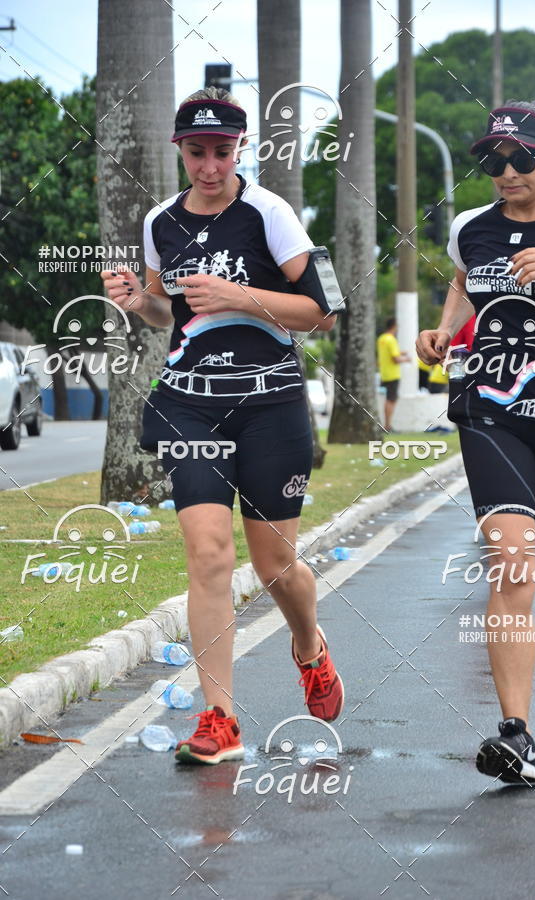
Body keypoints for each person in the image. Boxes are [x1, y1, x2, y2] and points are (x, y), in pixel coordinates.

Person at [101, 86, 344, 765]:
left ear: (242, 150)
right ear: (180, 149)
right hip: (190, 402)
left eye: (223, 152)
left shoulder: (270, 214)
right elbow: (166, 314)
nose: (210, 167)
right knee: (209, 556)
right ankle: (219, 720)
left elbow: (324, 310)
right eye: (197, 152)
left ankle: (309, 647)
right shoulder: (160, 222)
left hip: (270, 404)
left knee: (276, 568)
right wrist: (138, 299)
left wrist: (242, 296)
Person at [416, 99, 535, 785]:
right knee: (511, 560)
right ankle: (515, 734)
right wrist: (442, 330)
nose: (506, 171)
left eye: (520, 158)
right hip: (493, 411)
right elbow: (466, 283)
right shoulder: (472, 229)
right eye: (494, 160)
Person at [377, 317, 411, 430]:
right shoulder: (391, 339)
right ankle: (387, 425)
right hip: (393, 374)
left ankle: (387, 424)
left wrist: (401, 352)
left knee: (388, 399)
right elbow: (395, 359)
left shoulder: (382, 338)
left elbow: (389, 353)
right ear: (394, 326)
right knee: (391, 400)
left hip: (384, 373)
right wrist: (407, 359)